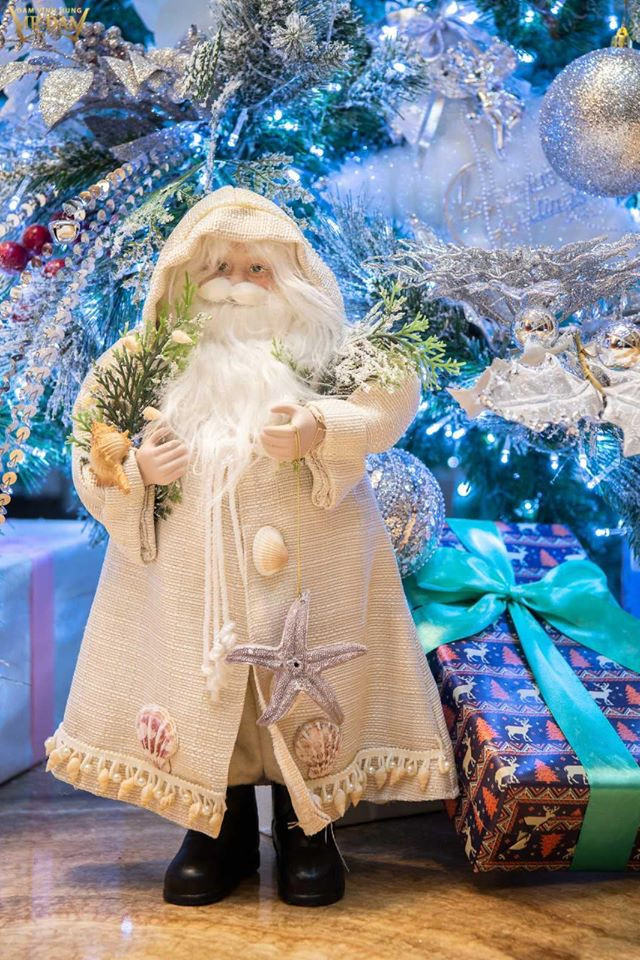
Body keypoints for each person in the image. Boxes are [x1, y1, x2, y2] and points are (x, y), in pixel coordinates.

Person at [45, 186, 458, 907]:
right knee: (214, 696)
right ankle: (219, 825)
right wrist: (136, 468)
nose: (235, 285)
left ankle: (307, 826)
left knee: (309, 701)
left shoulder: (328, 353)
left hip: (318, 569)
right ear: (186, 275)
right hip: (193, 584)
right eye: (218, 268)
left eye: (256, 269)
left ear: (290, 276)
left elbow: (393, 394)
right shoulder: (147, 359)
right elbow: (90, 438)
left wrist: (322, 427)